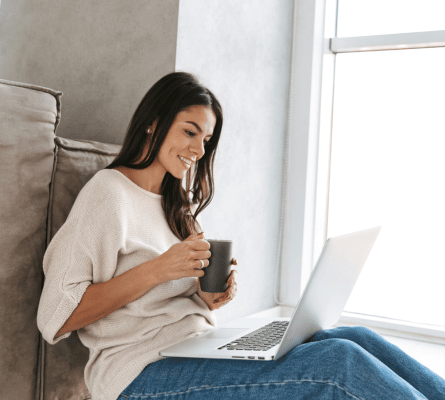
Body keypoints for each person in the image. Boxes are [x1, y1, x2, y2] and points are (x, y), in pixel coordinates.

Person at [37, 72, 445, 400]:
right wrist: (160, 270)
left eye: (206, 139)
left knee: (353, 337)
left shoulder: (174, 205)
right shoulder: (108, 194)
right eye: (190, 131)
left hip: (194, 347)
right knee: (339, 363)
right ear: (153, 124)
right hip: (138, 375)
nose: (198, 148)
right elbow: (56, 317)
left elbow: (172, 302)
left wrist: (208, 296)